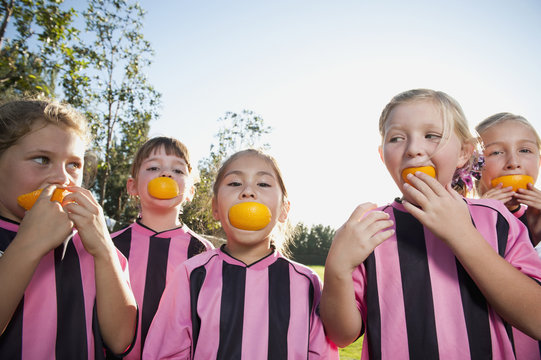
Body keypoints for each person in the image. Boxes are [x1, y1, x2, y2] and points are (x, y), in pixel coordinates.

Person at [320, 89, 541, 359]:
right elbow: (342, 336)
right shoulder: (370, 229)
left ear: (464, 153)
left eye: (431, 136)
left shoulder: (495, 218)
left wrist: (461, 234)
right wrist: (337, 269)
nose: (413, 149)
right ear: (382, 156)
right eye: (397, 138)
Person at [143, 148, 338, 359]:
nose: (248, 191)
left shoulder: (307, 283)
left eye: (263, 184)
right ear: (215, 207)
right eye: (235, 183)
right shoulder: (191, 275)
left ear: (284, 209)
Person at [0, 97, 138, 359]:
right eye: (42, 159)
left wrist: (104, 250)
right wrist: (29, 243)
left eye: (74, 164)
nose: (63, 178)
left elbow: (121, 340)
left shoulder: (90, 242)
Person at [111, 136, 213, 359]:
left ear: (190, 192)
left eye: (178, 170)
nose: (166, 174)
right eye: (154, 167)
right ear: (133, 186)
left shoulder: (204, 252)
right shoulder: (110, 245)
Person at [475, 112, 541, 359]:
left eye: (525, 150)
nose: (513, 162)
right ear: (474, 166)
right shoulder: (459, 217)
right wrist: (480, 216)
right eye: (495, 152)